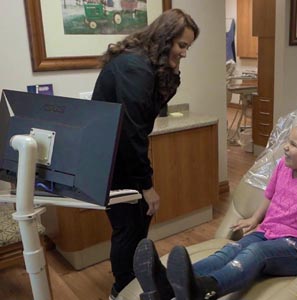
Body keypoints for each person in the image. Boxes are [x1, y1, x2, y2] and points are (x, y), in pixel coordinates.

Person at [133, 120, 297, 300]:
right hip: (267, 232)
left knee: (255, 253)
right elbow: (271, 195)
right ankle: (165, 283)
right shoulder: (283, 168)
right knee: (229, 251)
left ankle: (204, 290)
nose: (285, 147)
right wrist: (255, 218)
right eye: (288, 140)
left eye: (294, 145)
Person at [91, 8, 199, 300]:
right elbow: (132, 132)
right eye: (181, 45)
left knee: (137, 222)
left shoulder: (142, 62)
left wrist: (173, 72)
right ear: (165, 40)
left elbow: (152, 108)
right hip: (112, 160)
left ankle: (136, 280)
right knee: (129, 226)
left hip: (117, 156)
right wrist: (147, 186)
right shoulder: (135, 67)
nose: (185, 53)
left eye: (187, 46)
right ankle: (121, 289)